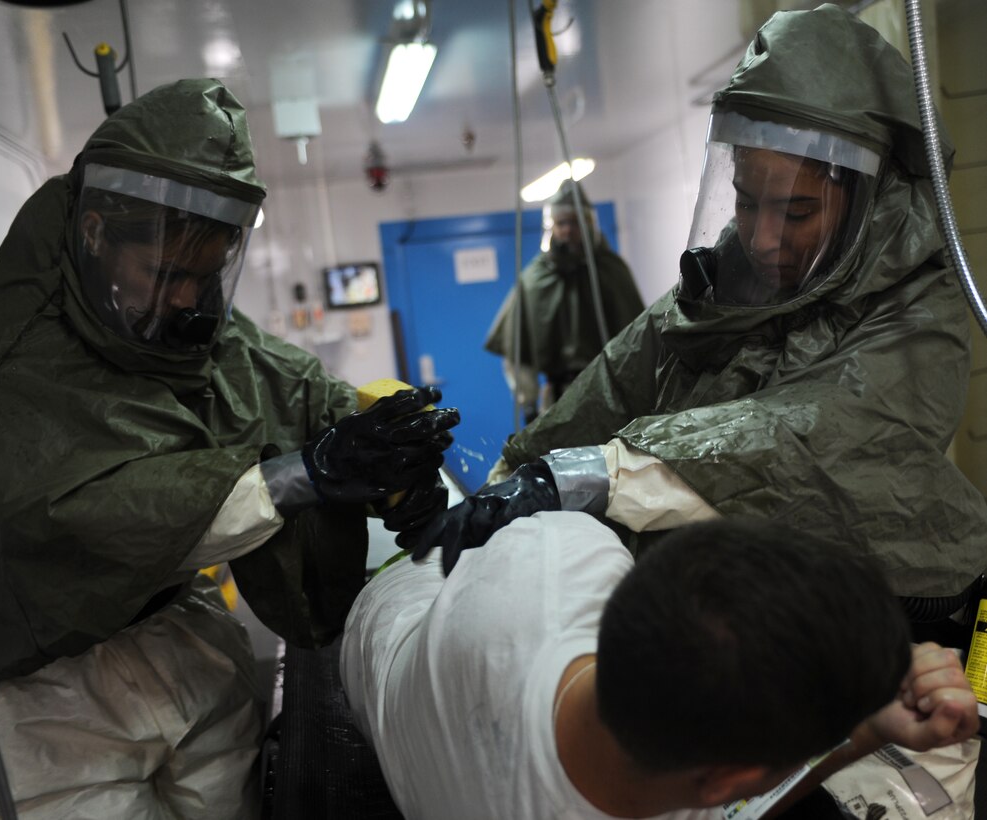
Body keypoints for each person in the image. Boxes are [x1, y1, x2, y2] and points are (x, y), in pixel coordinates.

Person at [0, 78, 459, 819]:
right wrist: (308, 474)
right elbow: (99, 512)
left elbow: (283, 384)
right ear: (94, 233)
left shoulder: (174, 325)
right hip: (57, 702)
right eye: (167, 274)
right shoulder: (20, 363)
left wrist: (390, 439)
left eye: (206, 276)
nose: (190, 300)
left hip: (186, 642)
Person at [399, 3, 987, 600]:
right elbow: (614, 383)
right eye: (746, 202)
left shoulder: (917, 312)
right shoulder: (726, 285)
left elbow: (821, 437)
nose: (762, 239)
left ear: (865, 197)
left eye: (796, 211)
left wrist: (594, 476)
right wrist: (513, 478)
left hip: (828, 610)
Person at [341, 511, 979, 820]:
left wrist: (867, 727)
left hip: (393, 611)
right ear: (726, 782)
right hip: (396, 652)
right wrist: (858, 733)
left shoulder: (566, 552)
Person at [484, 179, 645, 423]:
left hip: (609, 394)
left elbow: (638, 339)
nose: (568, 230)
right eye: (561, 223)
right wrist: (527, 402)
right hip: (558, 399)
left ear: (589, 224)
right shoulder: (534, 278)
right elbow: (517, 350)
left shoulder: (611, 271)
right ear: (552, 226)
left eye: (576, 222)